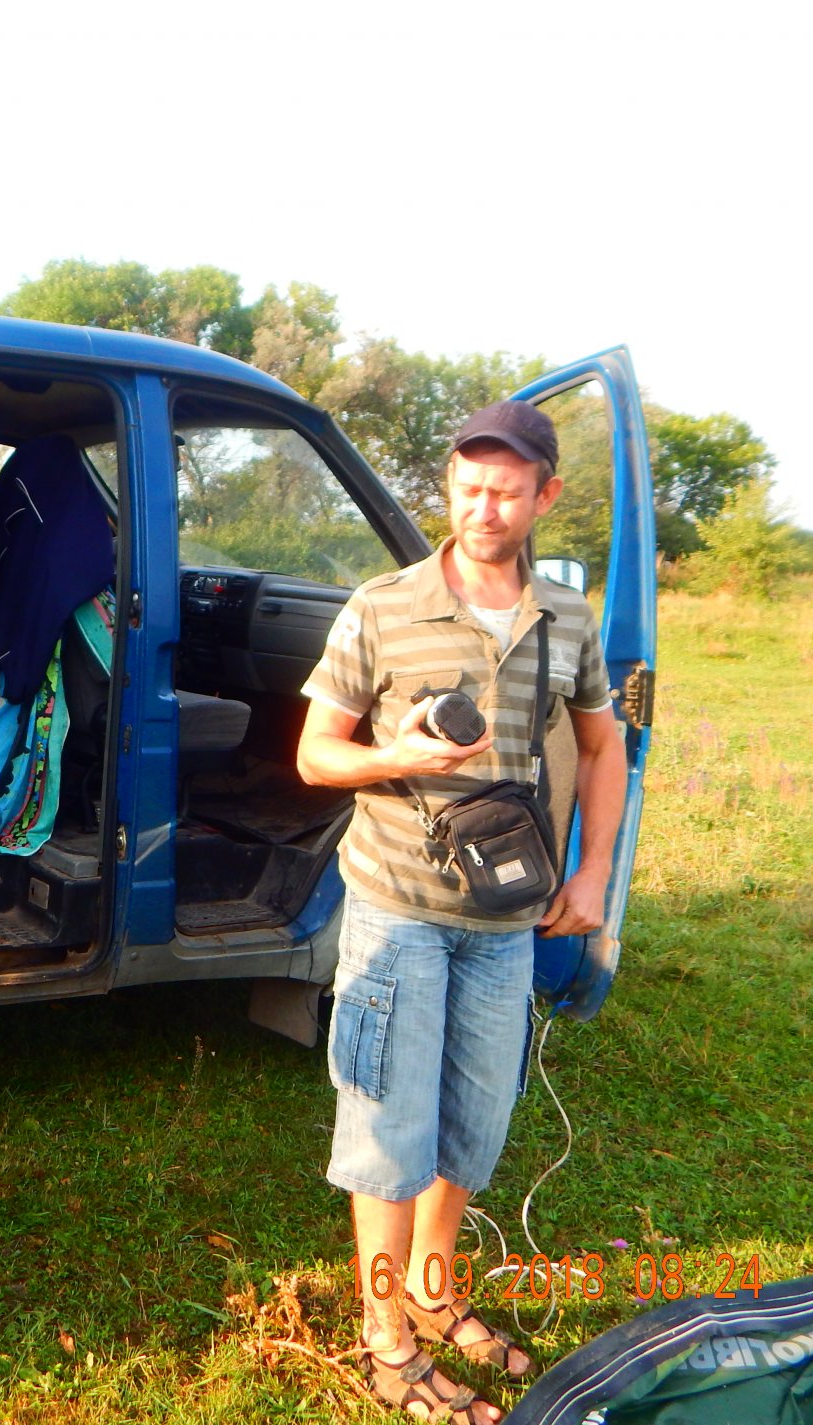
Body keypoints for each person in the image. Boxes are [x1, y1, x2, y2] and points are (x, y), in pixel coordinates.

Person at [295, 399, 624, 1425]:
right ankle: (387, 1338)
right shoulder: (382, 605)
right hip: (397, 906)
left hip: (505, 918)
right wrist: (397, 755)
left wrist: (592, 874)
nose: (485, 508)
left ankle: (434, 1294)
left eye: (507, 491)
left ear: (545, 497)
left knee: (474, 1123)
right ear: (449, 486)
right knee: (388, 1127)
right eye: (469, 487)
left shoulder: (566, 618)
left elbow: (603, 746)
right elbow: (315, 754)